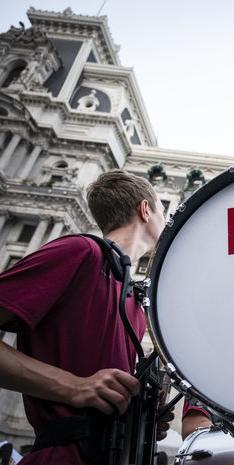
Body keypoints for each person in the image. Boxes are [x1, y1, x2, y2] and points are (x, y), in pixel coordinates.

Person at [0, 170, 170, 464]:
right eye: (162, 211)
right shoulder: (81, 252)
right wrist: (73, 386)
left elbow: (102, 386)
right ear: (145, 209)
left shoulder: (133, 302)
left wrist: (140, 415)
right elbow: (84, 386)